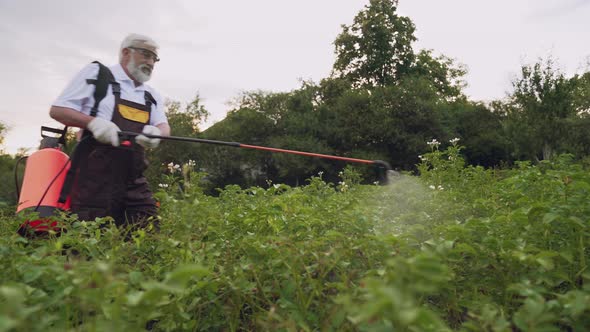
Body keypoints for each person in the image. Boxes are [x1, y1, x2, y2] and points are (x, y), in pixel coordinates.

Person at [49, 33, 171, 230]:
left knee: (148, 236)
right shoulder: (98, 75)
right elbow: (58, 110)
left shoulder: (151, 94)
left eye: (154, 58)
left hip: (135, 180)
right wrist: (93, 123)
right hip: (92, 182)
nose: (151, 62)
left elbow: (164, 127)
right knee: (86, 245)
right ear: (125, 52)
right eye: (146, 54)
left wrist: (157, 134)